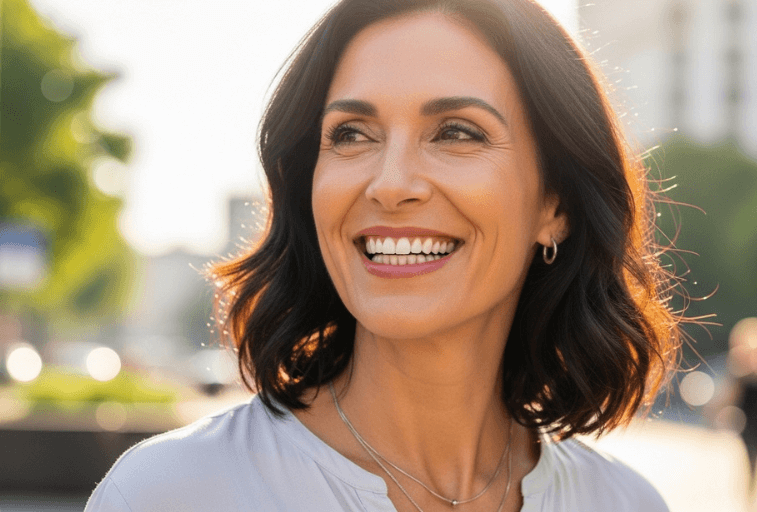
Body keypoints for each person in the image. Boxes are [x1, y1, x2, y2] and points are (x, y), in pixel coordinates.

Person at [85, 0, 682, 510]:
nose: (391, 183)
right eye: (351, 134)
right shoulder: (171, 494)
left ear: (555, 204)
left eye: (456, 132)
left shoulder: (625, 503)